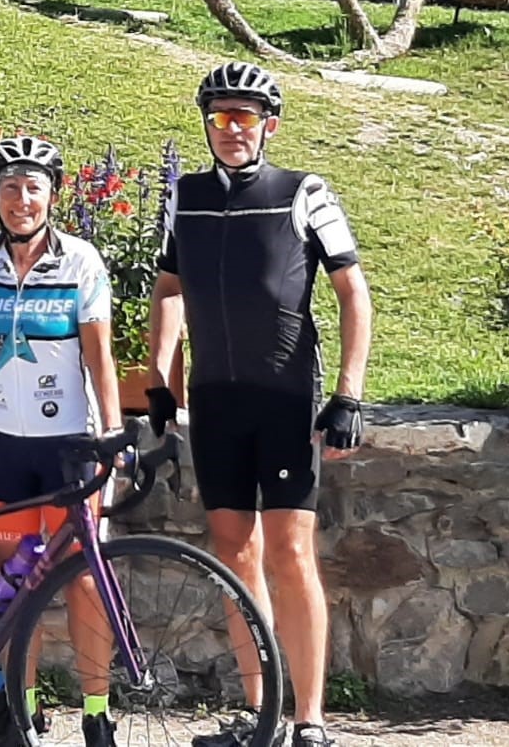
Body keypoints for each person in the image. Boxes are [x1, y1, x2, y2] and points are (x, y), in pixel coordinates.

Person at [146, 62, 373, 747]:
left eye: (244, 117)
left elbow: (353, 294)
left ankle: (310, 720)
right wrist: (159, 378)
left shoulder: (304, 192)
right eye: (219, 117)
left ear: (268, 125)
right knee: (233, 552)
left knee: (290, 551)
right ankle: (260, 714)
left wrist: (348, 394)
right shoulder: (183, 195)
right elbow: (169, 289)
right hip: (215, 396)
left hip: (284, 395)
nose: (232, 129)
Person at [0, 136, 122, 747]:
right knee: (12, 585)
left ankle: (96, 713)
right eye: (10, 188)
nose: (21, 200)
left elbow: (100, 357)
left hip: (67, 447)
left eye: (33, 188)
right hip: (2, 444)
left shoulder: (81, 261)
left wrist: (112, 430)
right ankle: (19, 715)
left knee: (83, 580)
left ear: (53, 196)